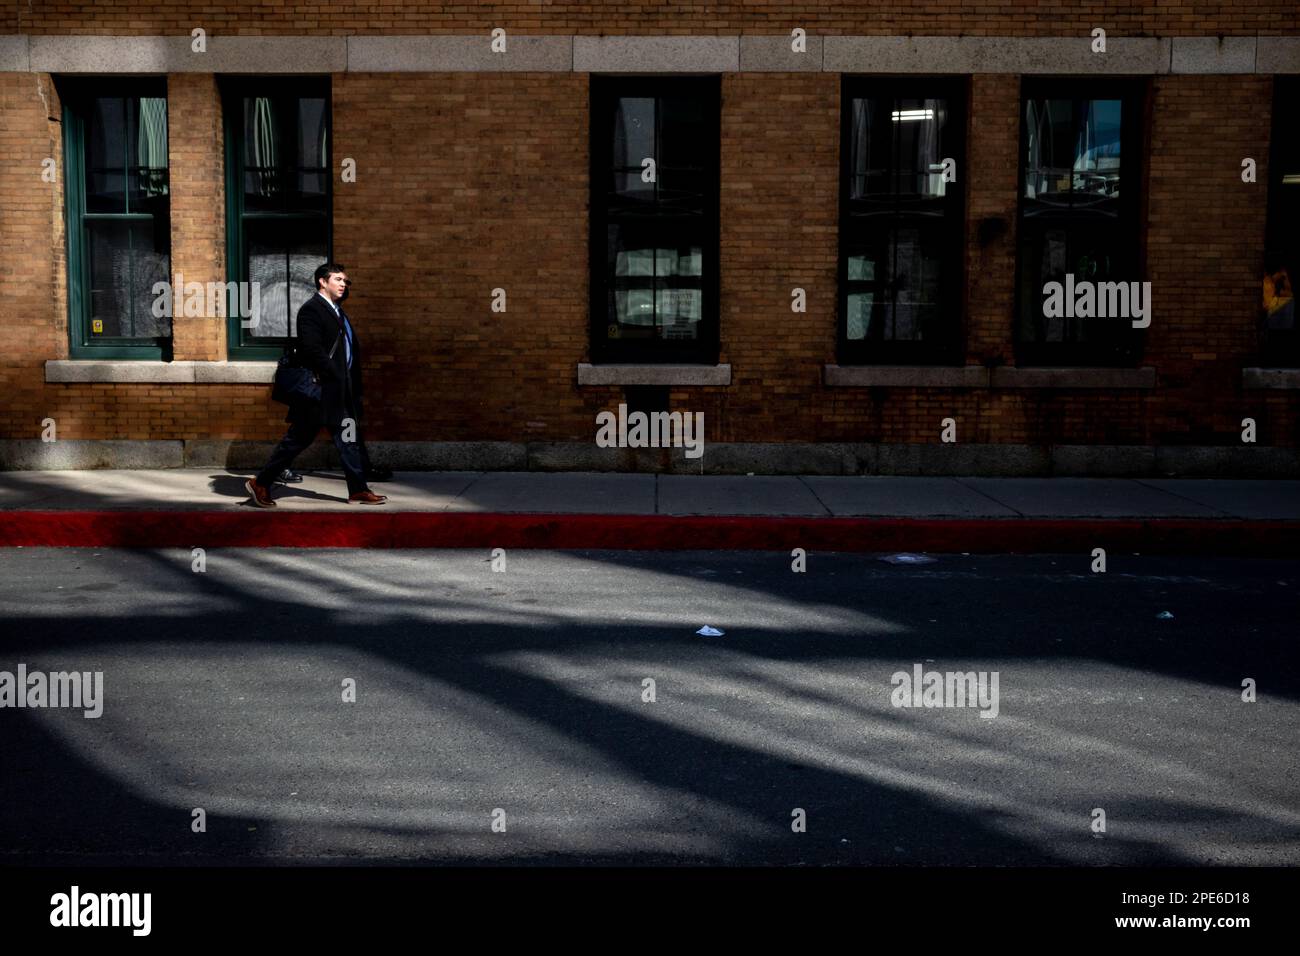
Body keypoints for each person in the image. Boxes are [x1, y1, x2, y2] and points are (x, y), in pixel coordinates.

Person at [245, 263, 388, 507]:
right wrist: (335, 374)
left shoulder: (337, 312)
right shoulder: (312, 310)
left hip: (340, 392)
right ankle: (261, 482)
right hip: (321, 392)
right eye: (338, 279)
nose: (344, 284)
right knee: (298, 439)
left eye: (346, 281)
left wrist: (349, 383)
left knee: (349, 439)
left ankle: (358, 490)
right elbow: (313, 350)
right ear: (322, 282)